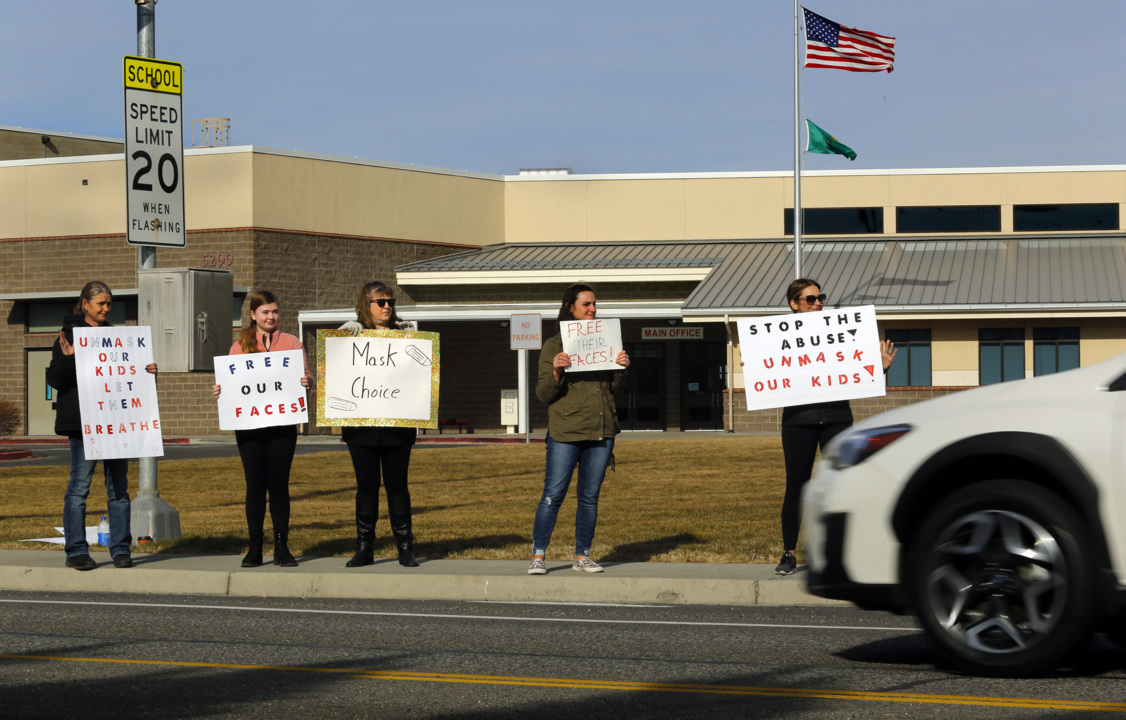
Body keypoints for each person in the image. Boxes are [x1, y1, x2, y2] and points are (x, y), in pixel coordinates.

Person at [774, 278, 896, 575]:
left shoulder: (840, 332)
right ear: (794, 304)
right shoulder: (776, 339)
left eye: (820, 298)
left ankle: (844, 552)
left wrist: (878, 369)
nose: (817, 303)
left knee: (843, 484)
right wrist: (757, 365)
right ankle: (789, 553)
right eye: (810, 299)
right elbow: (771, 378)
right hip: (798, 422)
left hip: (837, 418)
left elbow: (856, 377)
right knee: (797, 487)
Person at [47, 281, 157, 571]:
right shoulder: (68, 334)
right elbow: (56, 381)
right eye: (101, 304)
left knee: (119, 489)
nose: (107, 308)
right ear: (85, 304)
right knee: (79, 489)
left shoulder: (118, 337)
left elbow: (129, 380)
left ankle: (120, 549)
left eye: (110, 303)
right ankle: (76, 551)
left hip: (116, 424)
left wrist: (147, 372)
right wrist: (69, 357)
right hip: (84, 425)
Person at [528, 284, 630, 575]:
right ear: (569, 307)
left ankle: (582, 555)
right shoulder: (554, 343)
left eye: (595, 304)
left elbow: (615, 389)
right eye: (586, 304)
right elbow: (543, 394)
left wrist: (622, 368)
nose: (593, 309)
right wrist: (557, 372)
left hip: (601, 429)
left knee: (589, 497)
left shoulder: (607, 339)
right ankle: (538, 555)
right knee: (553, 494)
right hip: (565, 431)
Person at [213, 290, 312, 568]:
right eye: (265, 312)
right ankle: (254, 546)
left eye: (275, 311)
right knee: (255, 486)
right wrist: (221, 389)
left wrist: (306, 381)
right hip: (249, 427)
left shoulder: (292, 343)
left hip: (282, 426)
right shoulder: (239, 346)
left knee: (279, 485)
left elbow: (306, 375)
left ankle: (282, 546)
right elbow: (230, 382)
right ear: (254, 315)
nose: (271, 317)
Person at [338, 281, 421, 568]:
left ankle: (405, 546)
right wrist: (341, 335)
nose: (387, 307)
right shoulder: (353, 335)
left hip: (398, 425)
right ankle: (365, 547)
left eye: (390, 302)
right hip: (362, 428)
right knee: (366, 486)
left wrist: (416, 343)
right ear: (366, 305)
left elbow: (419, 377)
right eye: (380, 302)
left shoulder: (405, 335)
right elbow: (334, 367)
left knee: (398, 486)